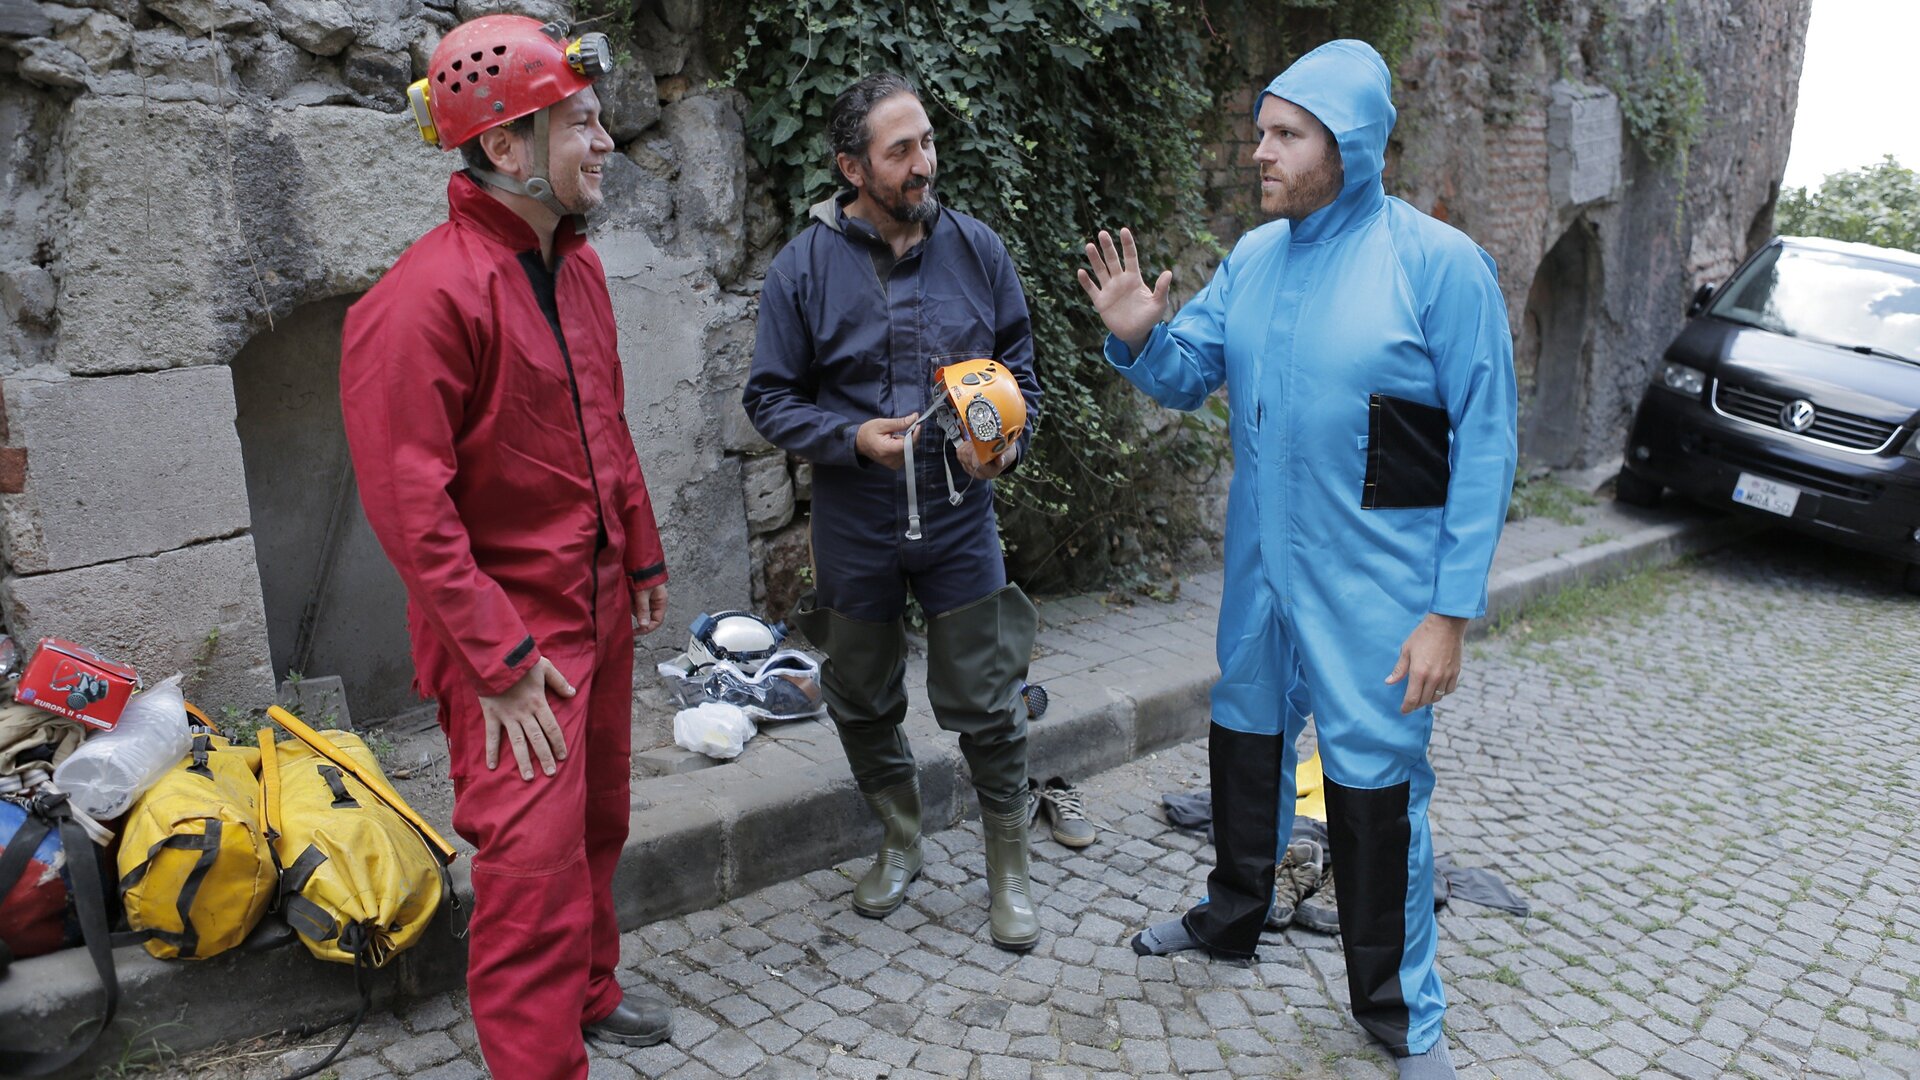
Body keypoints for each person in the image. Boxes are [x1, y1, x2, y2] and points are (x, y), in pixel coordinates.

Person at [1076, 39, 1517, 1079]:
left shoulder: (1438, 266)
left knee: (1374, 793)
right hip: (1263, 573)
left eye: (1286, 135)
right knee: (1245, 736)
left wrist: (1449, 611)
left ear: (1348, 146)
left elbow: (1489, 441)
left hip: (1378, 588)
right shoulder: (1258, 257)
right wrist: (1143, 335)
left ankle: (1402, 1016)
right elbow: (1189, 377)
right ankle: (1233, 914)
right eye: (1261, 130)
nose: (1259, 151)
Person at [340, 15, 674, 1077]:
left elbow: (603, 426)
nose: (605, 140)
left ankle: (591, 988)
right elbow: (411, 508)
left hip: (596, 607)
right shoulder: (421, 301)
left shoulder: (570, 267)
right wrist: (501, 660)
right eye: (578, 122)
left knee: (600, 821)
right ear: (502, 147)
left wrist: (644, 553)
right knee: (531, 871)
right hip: (509, 641)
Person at [743, 72, 1046, 951]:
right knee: (862, 697)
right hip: (855, 518)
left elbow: (1023, 376)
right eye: (901, 150)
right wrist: (848, 437)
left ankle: (1009, 868)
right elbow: (770, 398)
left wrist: (1004, 442)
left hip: (959, 516)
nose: (925, 163)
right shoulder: (802, 268)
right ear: (852, 166)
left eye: (927, 142)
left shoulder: (979, 250)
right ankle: (902, 838)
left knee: (989, 699)